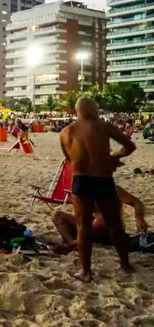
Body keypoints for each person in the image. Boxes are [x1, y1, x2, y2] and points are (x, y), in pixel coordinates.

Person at [59, 97, 136, 282]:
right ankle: (125, 264)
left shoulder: (65, 132)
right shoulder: (103, 126)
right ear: (91, 109)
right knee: (114, 224)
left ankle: (86, 272)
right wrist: (113, 157)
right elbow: (130, 146)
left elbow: (69, 159)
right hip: (103, 179)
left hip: (80, 180)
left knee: (82, 226)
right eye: (96, 108)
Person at [52, 184, 148, 253]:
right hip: (89, 228)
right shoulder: (84, 188)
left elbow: (136, 202)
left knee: (101, 221)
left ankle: (73, 244)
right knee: (58, 215)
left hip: (108, 230)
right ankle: (72, 243)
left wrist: (139, 217)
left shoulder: (112, 189)